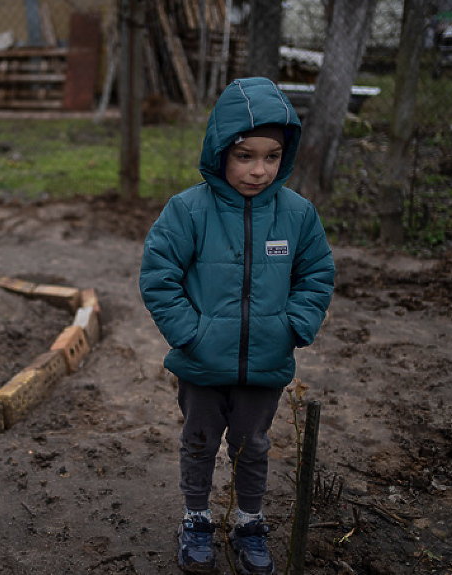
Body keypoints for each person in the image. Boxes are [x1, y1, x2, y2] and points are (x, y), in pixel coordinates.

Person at [139, 77, 335, 575]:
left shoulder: (297, 215)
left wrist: (292, 327)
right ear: (220, 148)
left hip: (266, 364)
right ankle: (197, 518)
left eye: (271, 157)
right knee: (199, 443)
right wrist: (191, 335)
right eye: (245, 154)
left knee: (253, 447)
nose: (258, 170)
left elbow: (317, 274)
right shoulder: (188, 210)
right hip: (202, 364)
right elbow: (158, 276)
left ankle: (248, 522)